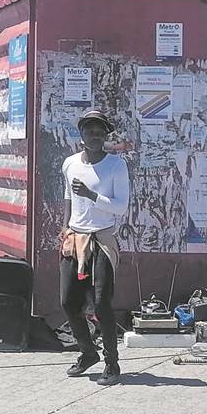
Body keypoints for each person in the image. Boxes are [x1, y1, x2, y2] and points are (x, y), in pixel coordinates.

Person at [60, 110, 129, 387]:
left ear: (106, 136)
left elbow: (120, 207)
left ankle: (112, 363)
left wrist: (91, 195)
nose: (95, 136)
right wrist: (65, 226)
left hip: (102, 239)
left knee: (101, 303)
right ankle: (88, 353)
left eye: (100, 131)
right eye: (90, 131)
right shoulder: (70, 163)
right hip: (75, 239)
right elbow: (67, 195)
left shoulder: (116, 166)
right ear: (82, 135)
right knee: (68, 301)